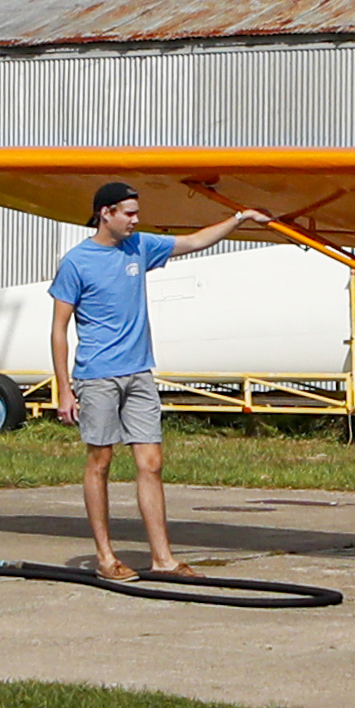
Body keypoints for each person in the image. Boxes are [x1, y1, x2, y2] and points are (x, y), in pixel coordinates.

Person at [46, 181, 273, 580]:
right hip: (97, 375)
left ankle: (163, 558)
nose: (136, 219)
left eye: (137, 212)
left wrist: (240, 219)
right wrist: (65, 388)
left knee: (151, 462)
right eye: (129, 213)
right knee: (100, 461)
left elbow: (195, 242)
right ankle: (105, 556)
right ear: (106, 213)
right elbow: (59, 329)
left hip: (139, 373)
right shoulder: (77, 262)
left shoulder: (141, 247)